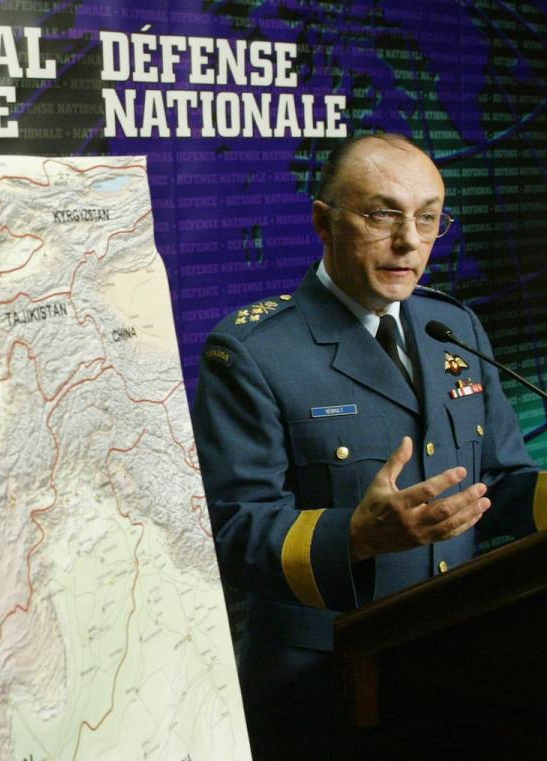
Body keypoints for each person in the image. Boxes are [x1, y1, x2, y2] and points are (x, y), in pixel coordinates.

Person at [191, 133, 546, 760]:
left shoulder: (453, 326)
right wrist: (355, 537)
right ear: (324, 223)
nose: (410, 240)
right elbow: (229, 533)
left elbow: (503, 480)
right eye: (383, 214)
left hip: (456, 661)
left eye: (428, 217)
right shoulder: (253, 351)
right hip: (322, 683)